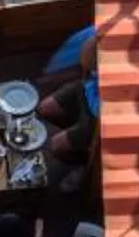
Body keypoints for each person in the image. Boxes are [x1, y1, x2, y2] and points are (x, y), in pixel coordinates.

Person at [32, 25, 101, 189]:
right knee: (45, 108)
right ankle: (75, 134)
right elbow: (87, 58)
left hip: (96, 116)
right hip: (88, 87)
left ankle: (84, 165)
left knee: (56, 146)